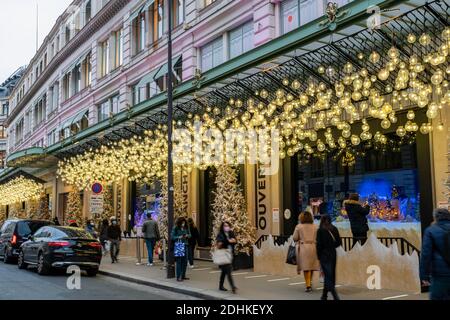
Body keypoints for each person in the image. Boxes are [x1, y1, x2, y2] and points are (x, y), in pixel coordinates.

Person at [420, 208, 450, 300]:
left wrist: (424, 275)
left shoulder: (430, 231)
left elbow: (426, 254)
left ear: (435, 217)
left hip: (439, 274)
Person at [293, 211, 320, 292]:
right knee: (311, 266)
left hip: (304, 248)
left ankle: (308, 285)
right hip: (313, 247)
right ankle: (310, 282)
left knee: (306, 267)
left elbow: (295, 238)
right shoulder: (315, 226)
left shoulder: (299, 226)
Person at [316, 214, 342, 300]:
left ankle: (335, 295)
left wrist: (319, 257)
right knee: (330, 274)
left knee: (327, 275)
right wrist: (332, 246)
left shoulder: (320, 230)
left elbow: (319, 245)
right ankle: (324, 295)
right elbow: (339, 242)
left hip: (324, 254)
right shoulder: (334, 229)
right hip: (333, 253)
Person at [216, 221, 237, 293]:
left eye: (227, 225)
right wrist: (226, 241)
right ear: (222, 227)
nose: (226, 227)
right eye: (225, 226)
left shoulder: (231, 233)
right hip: (223, 255)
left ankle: (220, 286)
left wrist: (228, 241)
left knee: (224, 272)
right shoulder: (220, 234)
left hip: (230, 254)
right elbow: (218, 244)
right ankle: (233, 287)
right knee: (228, 271)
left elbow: (234, 240)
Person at [171, 217, 191, 281]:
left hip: (185, 244)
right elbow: (172, 237)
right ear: (179, 223)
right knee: (179, 261)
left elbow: (190, 234)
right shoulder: (175, 228)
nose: (183, 224)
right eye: (182, 223)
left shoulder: (186, 227)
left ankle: (183, 275)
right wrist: (178, 237)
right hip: (179, 245)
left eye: (184, 223)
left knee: (185, 261)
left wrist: (188, 235)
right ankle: (178, 276)